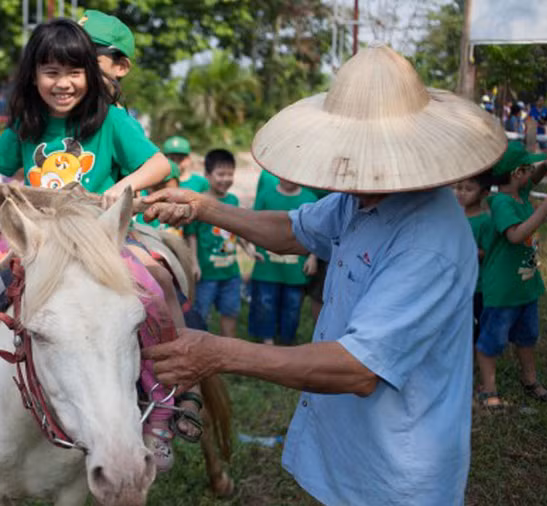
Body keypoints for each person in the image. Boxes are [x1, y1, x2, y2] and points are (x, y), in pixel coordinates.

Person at [140, 45, 508, 504]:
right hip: (351, 441)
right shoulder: (363, 197)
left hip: (397, 468)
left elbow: (358, 368)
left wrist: (219, 352)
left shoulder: (428, 243)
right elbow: (293, 230)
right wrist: (205, 207)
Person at [0, 19, 186, 470]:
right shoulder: (26, 123)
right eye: (51, 72)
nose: (63, 83)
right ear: (33, 76)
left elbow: (159, 165)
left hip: (97, 240)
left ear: (90, 72)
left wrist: (122, 186)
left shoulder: (110, 120)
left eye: (74, 71)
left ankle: (161, 408)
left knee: (151, 300)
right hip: (34, 240)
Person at [476, 141, 547, 409]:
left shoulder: (518, 193)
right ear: (517, 173)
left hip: (525, 286)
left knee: (527, 337)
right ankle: (488, 389)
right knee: (492, 341)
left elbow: (537, 173)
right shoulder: (502, 202)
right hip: (503, 290)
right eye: (528, 168)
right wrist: (545, 209)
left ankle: (530, 379)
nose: (532, 173)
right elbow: (514, 236)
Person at [248, 172, 318, 345]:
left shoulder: (310, 199)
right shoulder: (266, 195)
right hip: (267, 266)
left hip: (295, 268)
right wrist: (250, 247)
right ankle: (267, 340)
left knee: (292, 305)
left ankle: (287, 340)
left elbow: (317, 232)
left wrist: (313, 257)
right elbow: (252, 223)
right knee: (265, 302)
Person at [184, 149, 241, 338]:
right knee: (201, 315)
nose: (226, 179)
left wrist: (249, 249)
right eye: (221, 174)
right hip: (206, 274)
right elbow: (191, 235)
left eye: (230, 174)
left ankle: (229, 348)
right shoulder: (199, 202)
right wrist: (194, 262)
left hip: (231, 273)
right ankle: (200, 347)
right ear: (207, 175)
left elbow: (238, 230)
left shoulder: (233, 201)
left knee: (230, 312)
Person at [453, 170, 494, 347]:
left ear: (484, 193)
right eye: (458, 188)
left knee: (478, 320)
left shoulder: (485, 221)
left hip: (478, 284)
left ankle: (479, 349)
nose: (461, 193)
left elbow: (488, 252)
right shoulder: (453, 216)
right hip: (456, 281)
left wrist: (467, 251)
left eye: (468, 189)